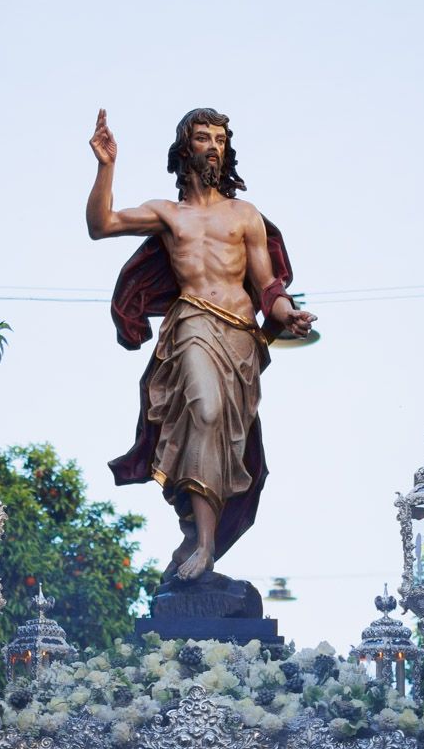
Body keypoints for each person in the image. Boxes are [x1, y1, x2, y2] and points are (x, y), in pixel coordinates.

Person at [86, 107, 315, 582]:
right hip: (192, 322)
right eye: (204, 138)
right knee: (205, 412)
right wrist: (107, 166)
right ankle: (206, 546)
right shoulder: (168, 214)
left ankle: (195, 533)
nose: (214, 147)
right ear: (184, 148)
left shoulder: (244, 215)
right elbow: (101, 224)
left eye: (220, 140)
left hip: (240, 339)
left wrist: (286, 312)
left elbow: (267, 285)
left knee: (224, 441)